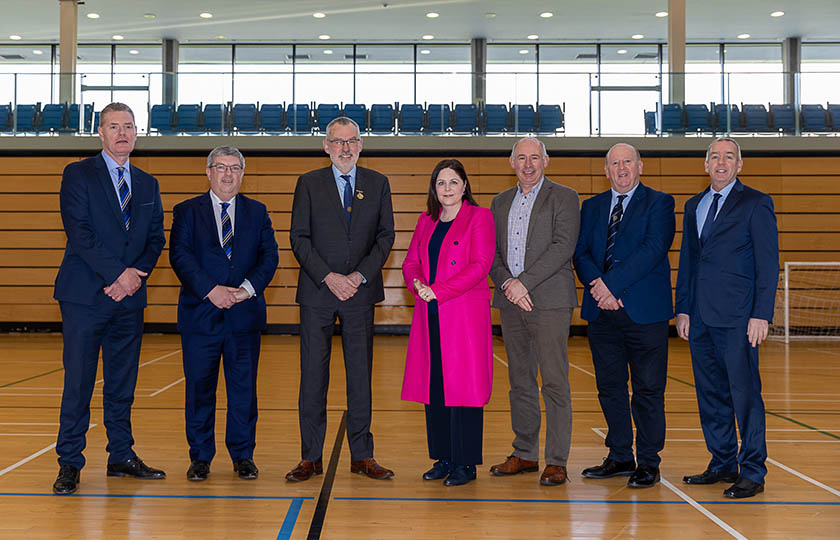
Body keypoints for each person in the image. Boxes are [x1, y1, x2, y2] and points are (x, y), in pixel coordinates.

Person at [52, 102, 166, 495]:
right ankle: (69, 462)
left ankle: (121, 455)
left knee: (122, 384)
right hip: (85, 296)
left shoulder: (148, 183)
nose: (122, 133)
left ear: (137, 133)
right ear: (100, 133)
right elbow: (79, 232)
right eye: (114, 126)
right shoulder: (78, 174)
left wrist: (132, 279)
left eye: (129, 126)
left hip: (129, 299)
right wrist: (118, 274)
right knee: (79, 382)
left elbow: (155, 239)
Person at [287, 117, 395, 481]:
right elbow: (299, 238)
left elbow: (385, 238)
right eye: (338, 142)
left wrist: (358, 277)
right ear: (326, 147)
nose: (345, 148)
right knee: (312, 376)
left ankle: (362, 455)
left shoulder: (378, 183)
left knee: (360, 376)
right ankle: (310, 457)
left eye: (351, 142)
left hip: (360, 293)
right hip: (319, 292)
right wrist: (330, 277)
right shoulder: (308, 183)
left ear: (360, 146)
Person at [676, 137, 779, 499]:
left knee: (745, 394)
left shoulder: (756, 203)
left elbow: (767, 265)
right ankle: (722, 462)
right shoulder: (694, 205)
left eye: (729, 157)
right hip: (701, 317)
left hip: (738, 318)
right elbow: (689, 260)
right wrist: (684, 308)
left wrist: (760, 315)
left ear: (740, 164)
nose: (721, 163)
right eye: (715, 157)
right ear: (705, 165)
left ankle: (752, 470)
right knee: (710, 393)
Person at [169, 146, 279, 482]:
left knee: (243, 391)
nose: (227, 174)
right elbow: (180, 255)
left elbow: (269, 257)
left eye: (234, 168)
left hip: (244, 317)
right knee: (200, 389)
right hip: (200, 315)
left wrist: (246, 290)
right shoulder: (187, 211)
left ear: (242, 174)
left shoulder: (258, 212)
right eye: (221, 167)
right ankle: (200, 457)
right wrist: (211, 290)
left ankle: (243, 456)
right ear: (208, 171)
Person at [573, 143, 675, 488]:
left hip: (645, 313)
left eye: (627, 162)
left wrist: (610, 287)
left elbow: (653, 250)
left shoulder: (660, 203)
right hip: (602, 314)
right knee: (610, 387)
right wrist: (598, 287)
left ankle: (648, 461)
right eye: (614, 163)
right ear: (606, 170)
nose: (621, 169)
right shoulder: (591, 207)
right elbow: (581, 252)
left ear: (640, 166)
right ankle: (619, 455)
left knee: (648, 390)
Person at [488, 137, 580, 486]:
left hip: (550, 301)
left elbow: (562, 246)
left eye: (535, 158)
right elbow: (492, 254)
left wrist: (523, 282)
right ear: (512, 162)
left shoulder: (564, 197)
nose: (528, 164)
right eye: (521, 158)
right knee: (520, 381)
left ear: (546, 161)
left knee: (554, 382)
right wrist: (509, 284)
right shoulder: (500, 202)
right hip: (511, 302)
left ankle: (556, 460)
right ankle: (524, 453)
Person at [401, 159, 495, 486]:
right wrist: (416, 284)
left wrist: (437, 291)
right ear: (434, 188)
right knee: (435, 385)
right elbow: (411, 261)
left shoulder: (480, 217)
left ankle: (465, 463)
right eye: (441, 183)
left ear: (465, 186)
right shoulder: (426, 220)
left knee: (465, 389)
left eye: (453, 182)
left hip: (464, 314)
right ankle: (443, 458)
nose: (447, 189)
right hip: (431, 313)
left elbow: (480, 265)